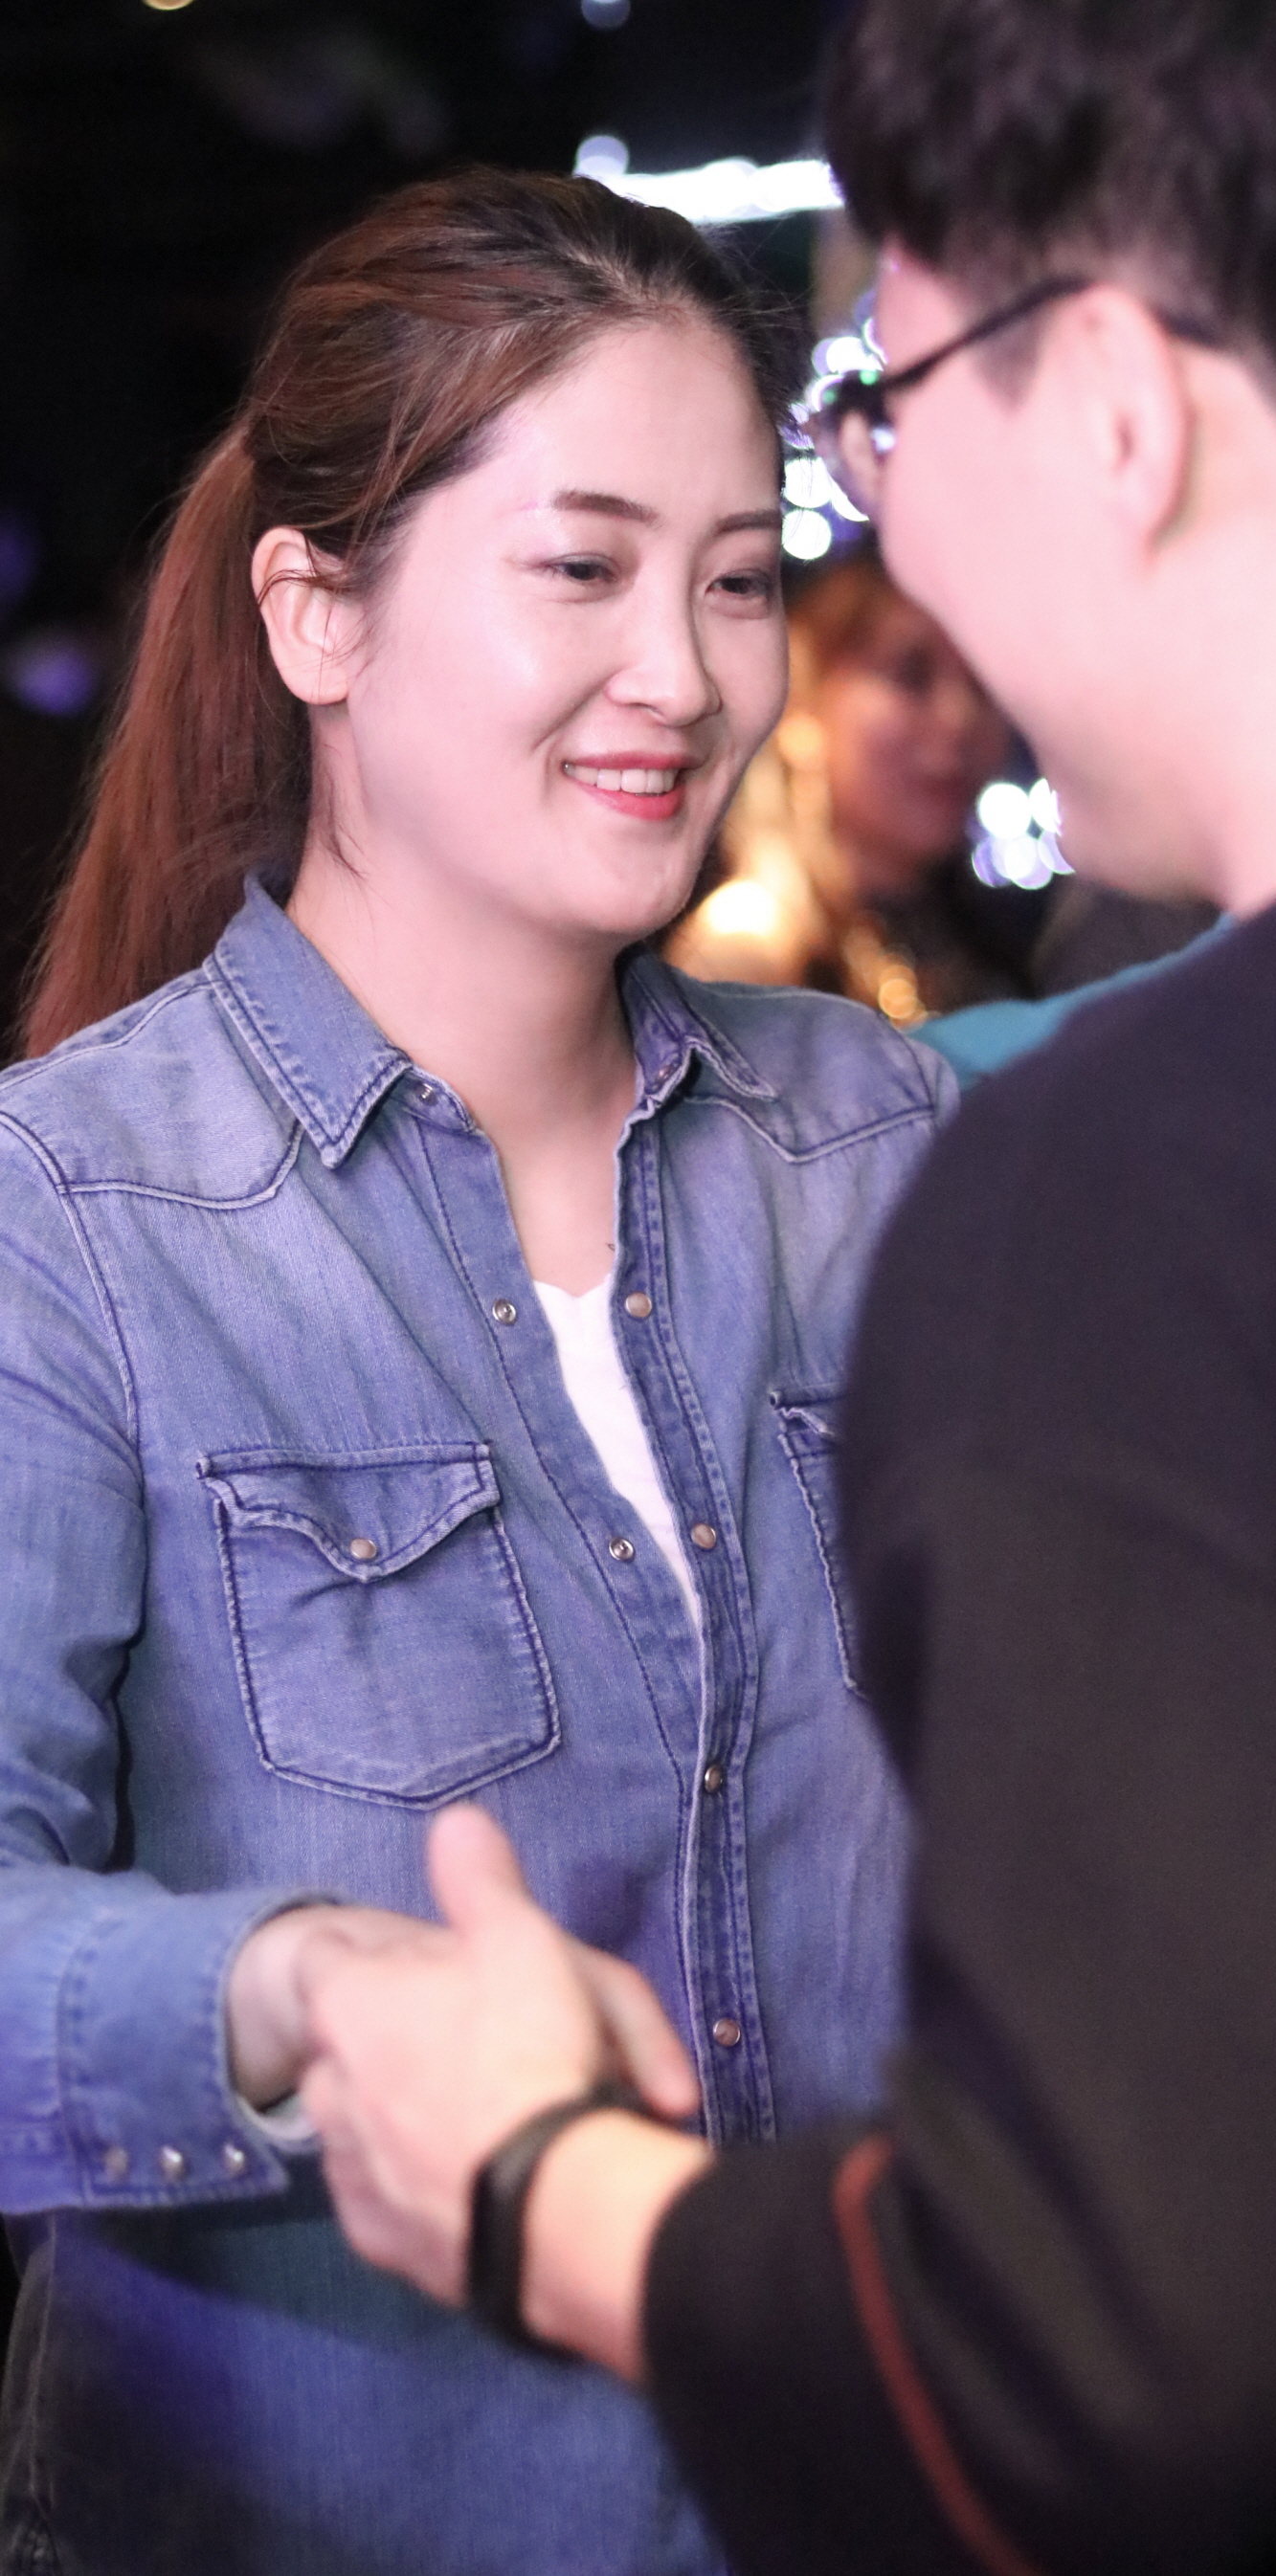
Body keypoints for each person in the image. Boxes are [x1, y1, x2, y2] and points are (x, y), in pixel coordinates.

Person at [291, 3, 1276, 2572]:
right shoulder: (79, 1195)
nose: (871, 543)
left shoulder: (1110, 1186)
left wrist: (532, 2183)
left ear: (1115, 404)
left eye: (881, 417)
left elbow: (1108, 2371)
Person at [0, 167, 956, 2576]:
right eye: (581, 567)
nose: (683, 676)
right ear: (313, 611)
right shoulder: (75, 1212)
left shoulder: (868, 1137)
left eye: (734, 577)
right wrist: (301, 1989)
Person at [667, 546, 1039, 1020]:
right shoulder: (749, 954)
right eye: (911, 676)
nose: (959, 719)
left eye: (982, 684)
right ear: (801, 699)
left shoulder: (977, 943)